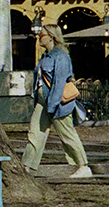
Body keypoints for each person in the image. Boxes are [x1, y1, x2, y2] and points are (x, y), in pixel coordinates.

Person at [22, 23, 92, 178]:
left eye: (42, 35)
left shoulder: (61, 56)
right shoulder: (44, 57)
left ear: (51, 37)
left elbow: (59, 83)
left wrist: (52, 106)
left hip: (58, 103)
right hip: (42, 101)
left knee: (67, 134)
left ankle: (82, 166)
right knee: (35, 133)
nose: (39, 37)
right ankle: (27, 167)